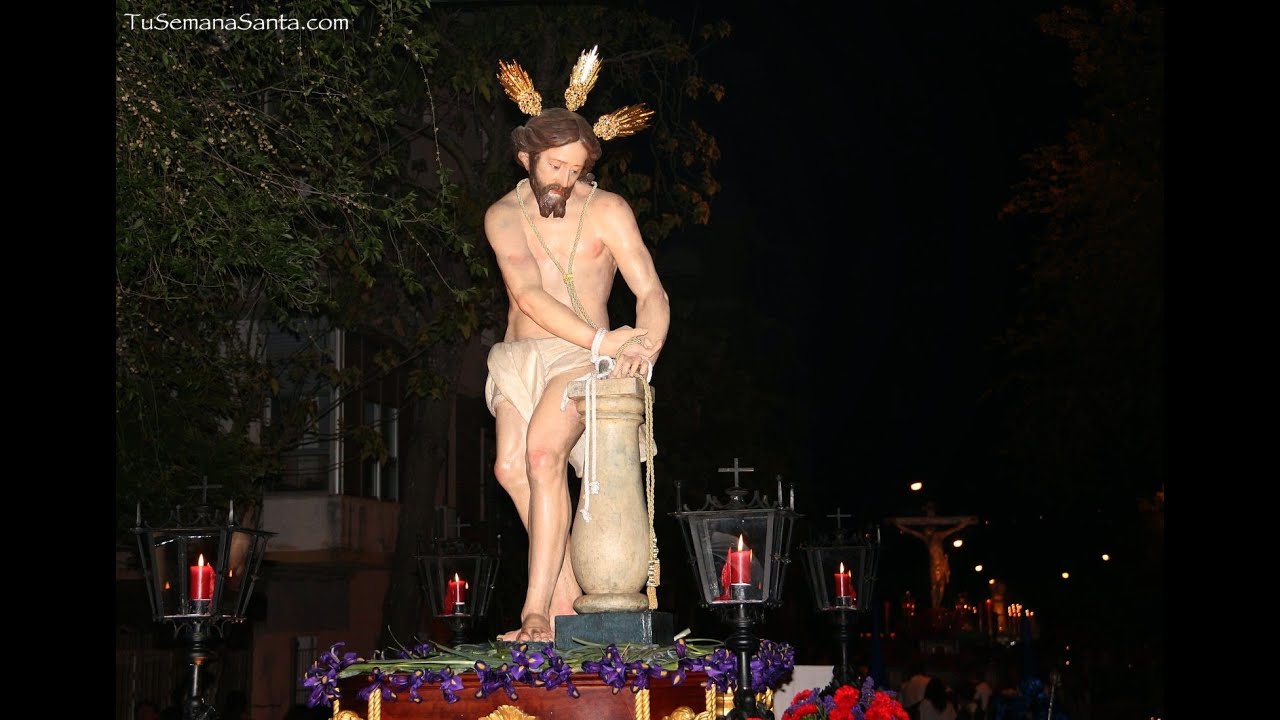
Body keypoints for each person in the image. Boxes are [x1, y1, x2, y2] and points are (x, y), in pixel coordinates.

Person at [484, 48, 668, 643]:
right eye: (555, 166)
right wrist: (603, 336)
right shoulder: (503, 215)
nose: (565, 179)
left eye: (577, 168)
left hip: (582, 359)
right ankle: (567, 600)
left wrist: (642, 348)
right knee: (510, 468)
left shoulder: (607, 210)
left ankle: (535, 612)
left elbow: (650, 291)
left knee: (542, 456)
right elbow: (529, 295)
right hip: (520, 357)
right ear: (526, 158)